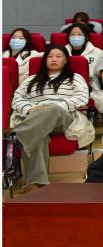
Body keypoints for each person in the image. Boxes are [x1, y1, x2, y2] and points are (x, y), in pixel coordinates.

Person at [10, 46, 92, 189]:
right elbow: (17, 99)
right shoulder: (31, 79)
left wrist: (53, 107)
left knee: (52, 109)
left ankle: (17, 134)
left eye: (58, 56)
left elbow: (82, 97)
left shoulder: (75, 78)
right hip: (35, 118)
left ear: (65, 60)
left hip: (63, 118)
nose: (54, 59)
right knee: (37, 134)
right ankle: (36, 183)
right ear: (45, 60)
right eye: (50, 56)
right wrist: (30, 109)